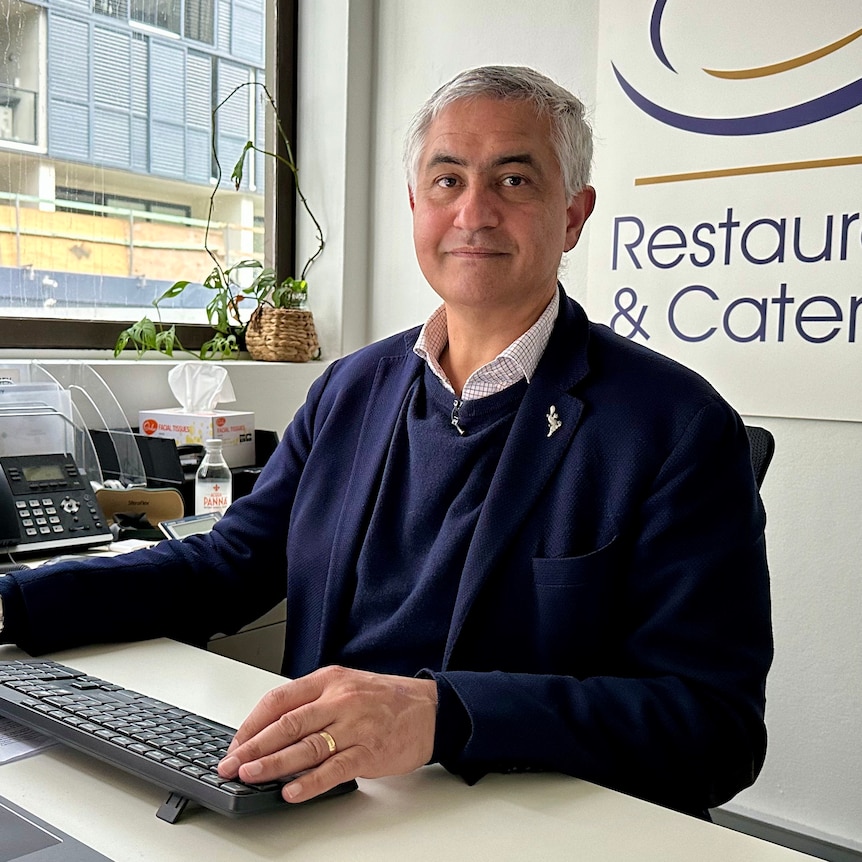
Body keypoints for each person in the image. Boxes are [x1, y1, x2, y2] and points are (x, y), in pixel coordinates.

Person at [0, 65, 772, 819]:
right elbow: (225, 566)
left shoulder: (675, 426)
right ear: (414, 203)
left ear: (573, 214)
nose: (473, 213)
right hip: (321, 806)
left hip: (511, 817)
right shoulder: (350, 389)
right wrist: (16, 605)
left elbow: (714, 727)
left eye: (514, 180)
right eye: (447, 181)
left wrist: (443, 714)